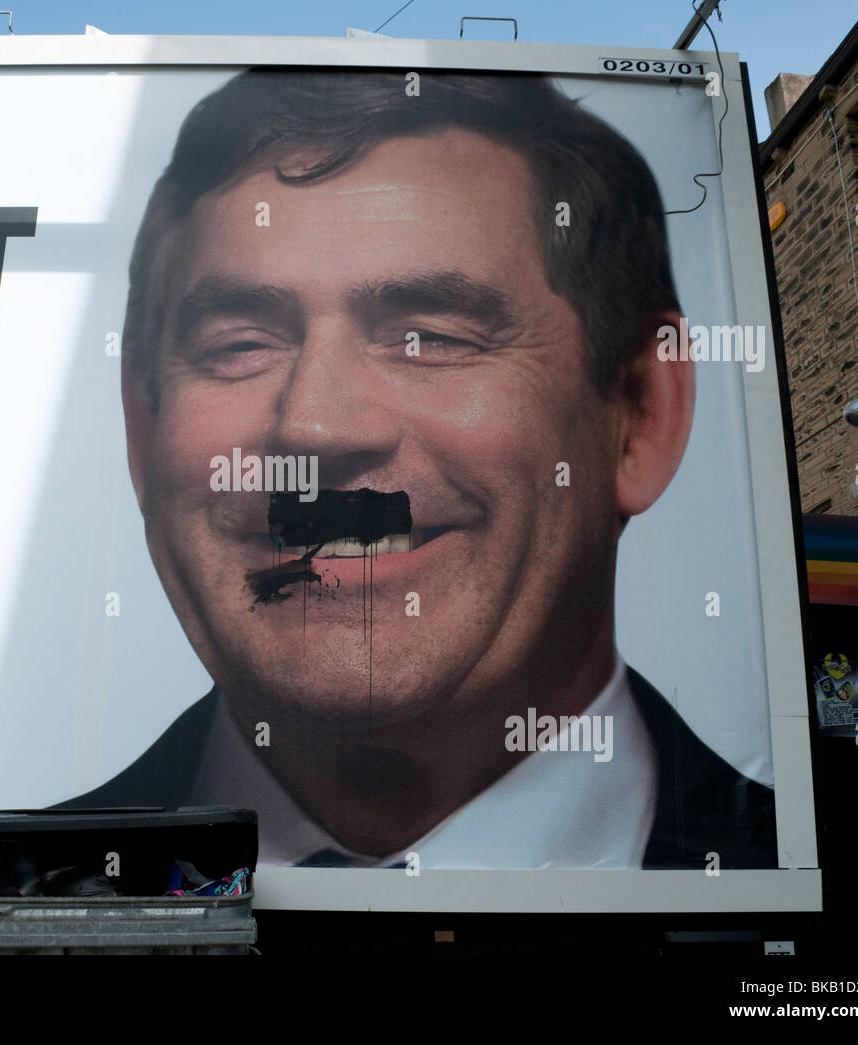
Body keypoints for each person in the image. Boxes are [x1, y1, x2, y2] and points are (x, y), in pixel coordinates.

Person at [55, 68, 776, 870]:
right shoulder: (16, 892)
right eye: (240, 344)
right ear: (141, 426)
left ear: (642, 410)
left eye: (429, 337)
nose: (315, 427)